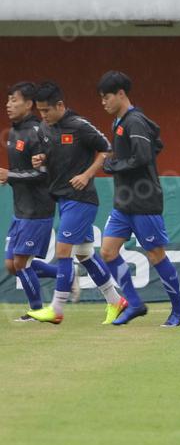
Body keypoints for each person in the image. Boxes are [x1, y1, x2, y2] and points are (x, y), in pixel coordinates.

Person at [25, 81, 128, 325]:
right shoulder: (43, 128)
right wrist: (41, 159)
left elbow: (107, 150)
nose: (43, 116)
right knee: (83, 254)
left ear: (60, 105)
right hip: (63, 198)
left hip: (81, 199)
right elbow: (50, 157)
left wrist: (87, 174)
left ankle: (57, 309)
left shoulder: (80, 126)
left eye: (47, 110)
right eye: (40, 111)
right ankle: (116, 301)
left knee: (63, 251)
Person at [96, 71, 180, 327]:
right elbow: (156, 141)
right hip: (124, 202)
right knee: (107, 251)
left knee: (156, 255)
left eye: (106, 97)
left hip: (144, 200)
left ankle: (179, 310)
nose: (103, 102)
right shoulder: (119, 123)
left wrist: (113, 165)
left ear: (121, 94)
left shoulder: (134, 121)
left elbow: (143, 156)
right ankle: (135, 303)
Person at [1, 82, 58, 320]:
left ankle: (37, 311)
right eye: (8, 100)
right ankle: (66, 275)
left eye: (14, 100)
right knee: (11, 266)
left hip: (38, 209)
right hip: (20, 209)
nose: (8, 105)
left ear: (29, 104)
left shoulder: (38, 131)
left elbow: (45, 173)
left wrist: (10, 175)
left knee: (22, 263)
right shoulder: (14, 133)